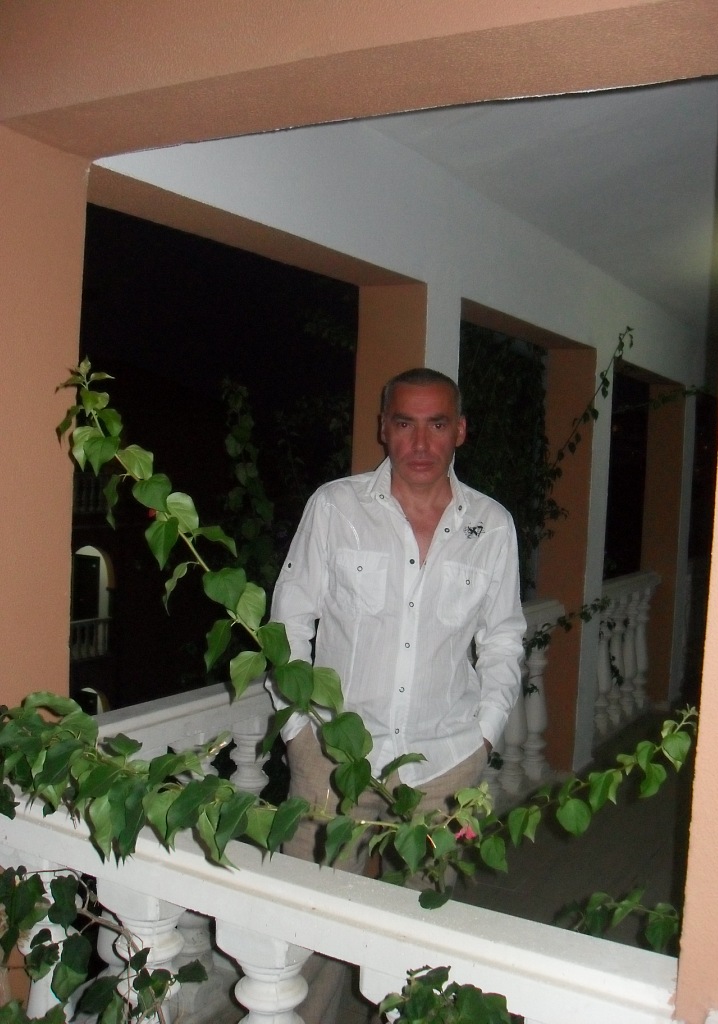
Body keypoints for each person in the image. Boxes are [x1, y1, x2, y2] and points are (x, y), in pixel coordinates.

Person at [267, 366, 526, 1023]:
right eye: (405, 423)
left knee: (421, 937)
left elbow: (502, 639)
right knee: (305, 929)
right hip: (333, 760)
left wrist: (485, 734)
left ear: (460, 430)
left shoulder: (491, 526)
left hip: (443, 765)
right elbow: (288, 622)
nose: (420, 442)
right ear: (383, 428)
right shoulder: (336, 508)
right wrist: (299, 730)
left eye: (437, 423)